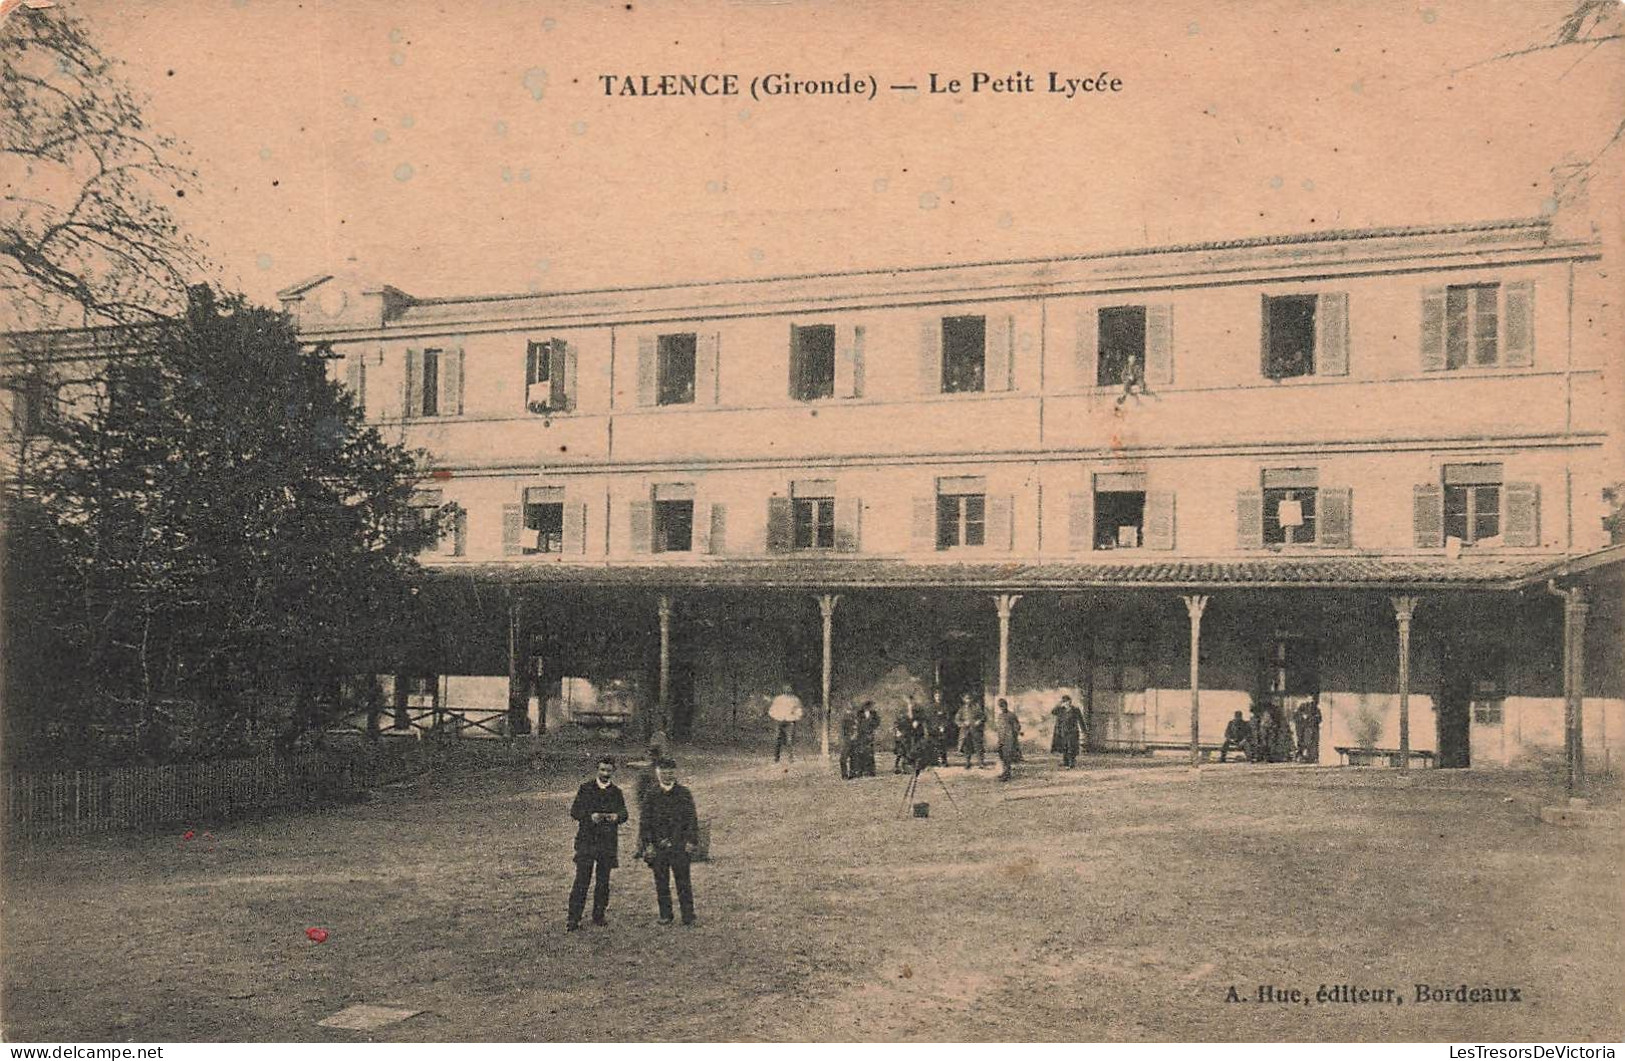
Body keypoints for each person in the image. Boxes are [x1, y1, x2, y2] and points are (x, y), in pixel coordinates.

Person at [635, 759, 700, 926]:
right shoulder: (651, 795)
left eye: (670, 772)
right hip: (659, 846)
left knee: (683, 881)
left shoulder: (684, 794)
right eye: (663, 772)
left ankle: (688, 915)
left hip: (680, 845)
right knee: (661, 881)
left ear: (675, 773)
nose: (667, 775)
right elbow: (645, 822)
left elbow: (692, 819)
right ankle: (665, 914)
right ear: (658, 773)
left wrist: (691, 841)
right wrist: (648, 844)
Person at [567, 756, 629, 931]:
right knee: (582, 880)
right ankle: (573, 918)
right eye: (602, 770)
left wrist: (617, 817)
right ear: (597, 770)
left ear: (613, 772)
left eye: (608, 771)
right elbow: (575, 811)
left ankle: (599, 915)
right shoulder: (585, 789)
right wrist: (590, 816)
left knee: (603, 881)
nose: (605, 774)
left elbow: (624, 813)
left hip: (607, 842)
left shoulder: (617, 792)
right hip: (587, 841)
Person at [768, 683, 804, 763]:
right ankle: (776, 758)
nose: (788, 691)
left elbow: (799, 711)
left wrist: (795, 717)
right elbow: (772, 710)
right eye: (786, 689)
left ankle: (790, 758)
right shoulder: (778, 699)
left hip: (790, 721)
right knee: (777, 739)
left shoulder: (795, 700)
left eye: (789, 689)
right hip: (779, 721)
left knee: (790, 740)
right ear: (783, 690)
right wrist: (776, 717)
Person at [1050, 695, 1085, 768]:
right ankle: (1065, 762)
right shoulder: (1061, 710)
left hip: (1072, 731)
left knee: (1071, 747)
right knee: (1064, 747)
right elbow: (1053, 712)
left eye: (1068, 701)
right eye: (1065, 702)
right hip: (1062, 732)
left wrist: (1083, 730)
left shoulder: (1075, 710)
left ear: (1070, 702)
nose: (1067, 703)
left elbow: (1080, 720)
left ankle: (1071, 763)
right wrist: (1059, 704)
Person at [957, 693, 988, 769]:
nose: (968, 700)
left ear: (971, 700)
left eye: (969, 699)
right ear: (964, 700)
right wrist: (963, 723)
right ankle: (967, 763)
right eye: (966, 699)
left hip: (975, 730)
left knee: (978, 747)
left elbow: (983, 717)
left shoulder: (976, 707)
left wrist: (978, 721)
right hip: (966, 730)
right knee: (967, 747)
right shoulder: (962, 709)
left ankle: (981, 763)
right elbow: (957, 720)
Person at [995, 698, 1022, 782]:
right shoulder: (1000, 716)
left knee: (1007, 757)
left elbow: (1017, 726)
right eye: (1000, 706)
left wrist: (1017, 732)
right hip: (1001, 739)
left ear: (1006, 705)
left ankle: (1007, 774)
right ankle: (1005, 772)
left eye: (1003, 706)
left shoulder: (1011, 715)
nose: (1002, 708)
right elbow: (999, 728)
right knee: (1002, 756)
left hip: (1009, 739)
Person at [854, 701, 881, 778]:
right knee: (861, 752)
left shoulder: (873, 714)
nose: (868, 708)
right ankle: (860, 770)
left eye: (869, 706)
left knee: (869, 753)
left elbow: (877, 722)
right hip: (861, 735)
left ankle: (870, 771)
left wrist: (872, 728)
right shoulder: (859, 714)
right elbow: (857, 723)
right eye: (866, 706)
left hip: (869, 735)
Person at [1294, 699, 1322, 763]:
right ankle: (1304, 756)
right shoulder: (1301, 710)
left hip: (1311, 730)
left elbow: (1319, 719)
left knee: (1312, 743)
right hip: (1305, 730)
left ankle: (1311, 756)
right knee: (1305, 742)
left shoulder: (1316, 709)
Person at [837, 703, 859, 780]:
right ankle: (845, 774)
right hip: (847, 740)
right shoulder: (845, 719)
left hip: (852, 740)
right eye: (849, 710)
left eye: (851, 710)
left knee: (853, 757)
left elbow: (856, 728)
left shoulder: (854, 718)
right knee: (844, 758)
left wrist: (854, 735)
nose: (850, 712)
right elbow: (843, 731)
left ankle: (851, 774)